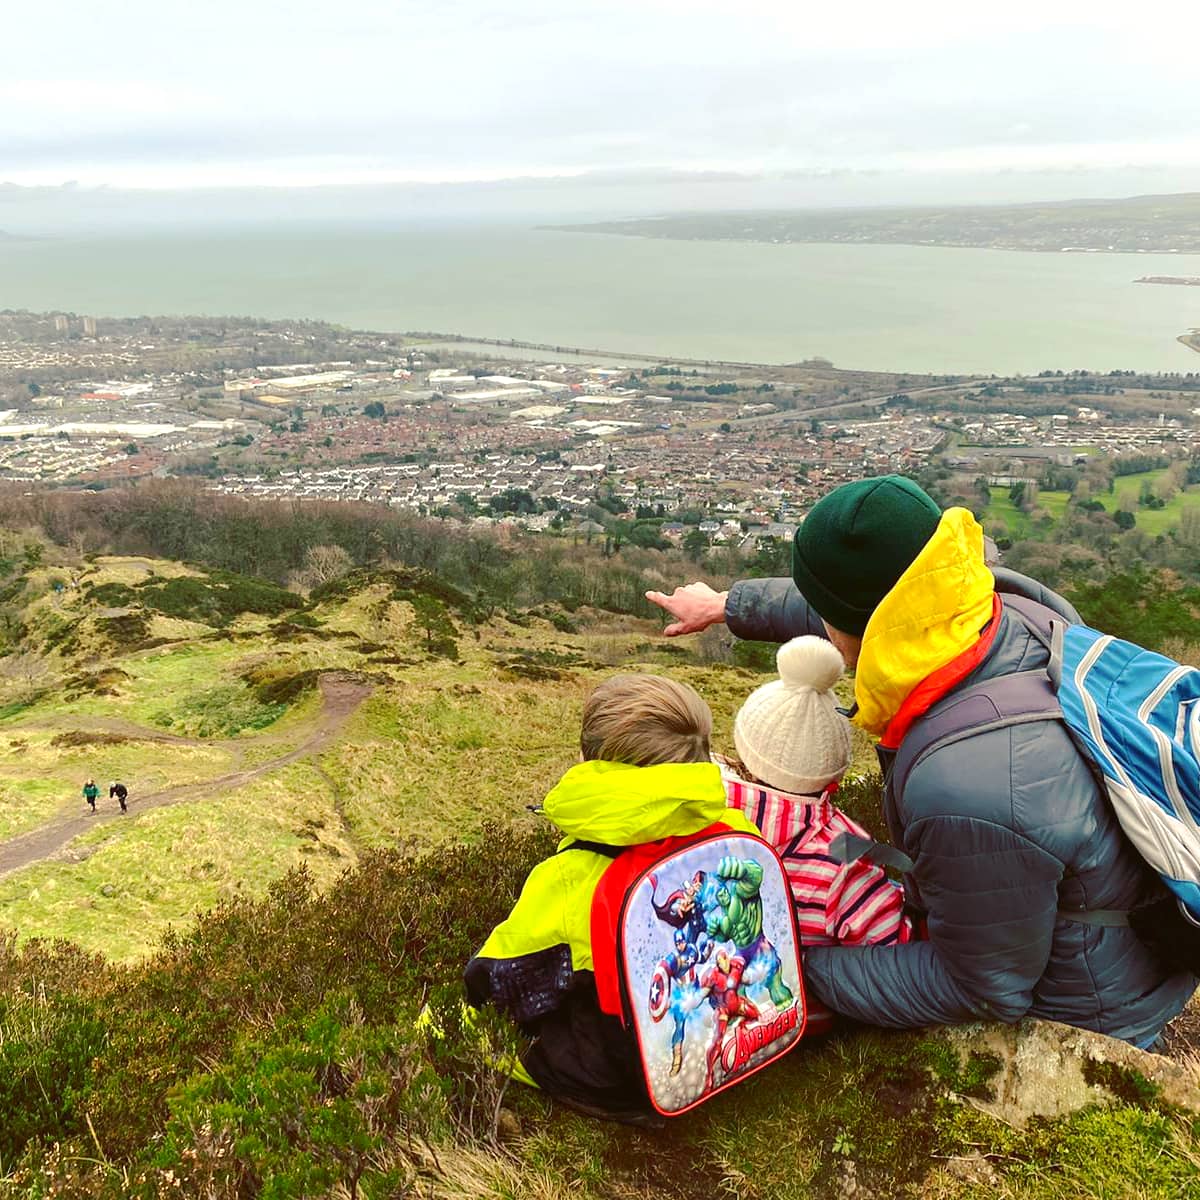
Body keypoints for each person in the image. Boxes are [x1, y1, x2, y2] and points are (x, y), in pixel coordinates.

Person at [648, 474, 1196, 1047]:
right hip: (1071, 905)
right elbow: (864, 617)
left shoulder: (969, 786)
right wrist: (728, 605)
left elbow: (985, 988)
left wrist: (786, 966)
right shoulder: (997, 608)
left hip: (1088, 1002)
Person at [463, 673, 760, 1125]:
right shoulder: (739, 832)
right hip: (726, 1035)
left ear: (594, 766)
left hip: (623, 1080)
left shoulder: (569, 875)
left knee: (470, 1026)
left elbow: (492, 980)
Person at [719, 634, 913, 1035]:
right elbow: (891, 949)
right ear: (833, 770)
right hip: (798, 1019)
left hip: (719, 1008)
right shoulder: (843, 854)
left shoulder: (701, 810)